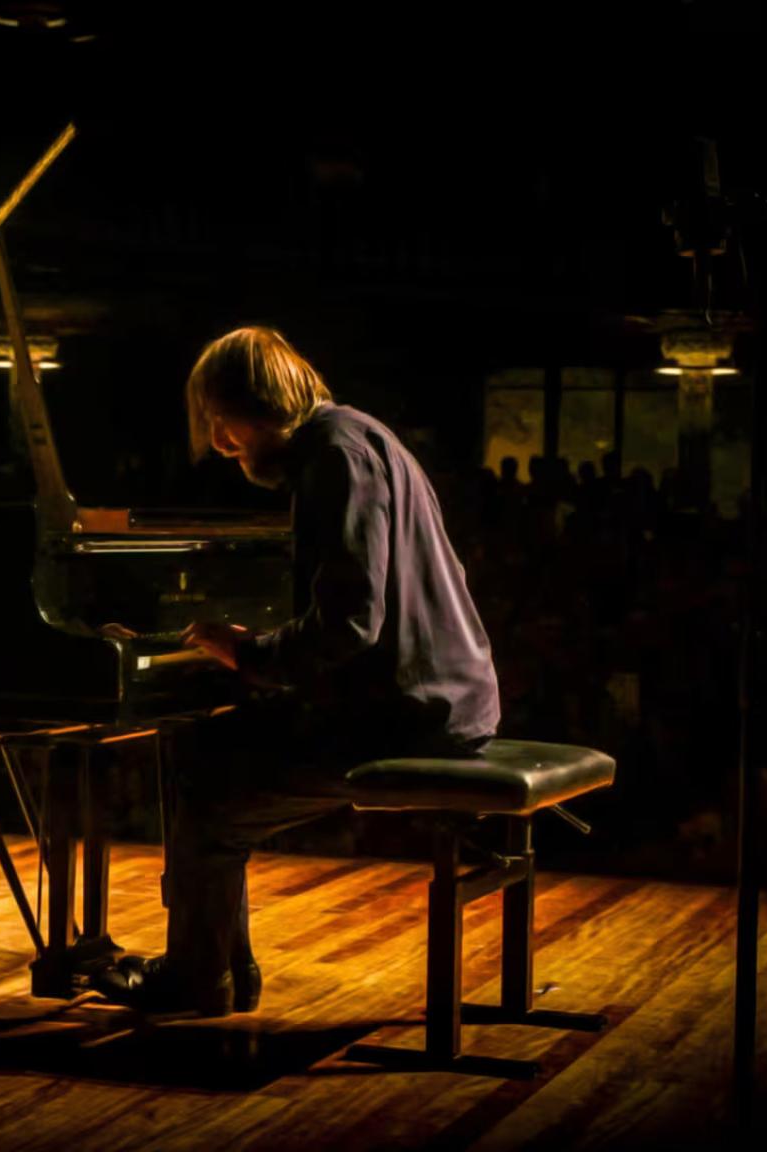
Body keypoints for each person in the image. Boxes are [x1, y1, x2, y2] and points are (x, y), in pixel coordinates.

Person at [96, 326, 502, 1015]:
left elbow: (348, 624)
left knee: (207, 796)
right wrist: (269, 649)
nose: (223, 445)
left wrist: (251, 653)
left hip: (409, 719)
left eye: (222, 426)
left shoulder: (332, 458)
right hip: (442, 698)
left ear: (244, 409)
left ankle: (198, 980)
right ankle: (224, 969)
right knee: (206, 747)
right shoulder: (360, 435)